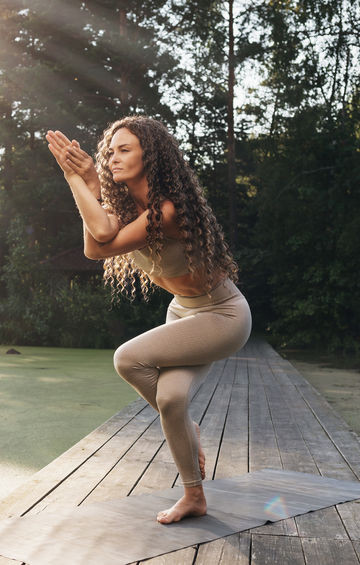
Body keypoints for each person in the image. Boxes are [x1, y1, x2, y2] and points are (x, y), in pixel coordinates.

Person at [45, 116, 251, 524]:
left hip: (222, 314)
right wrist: (89, 185)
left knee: (127, 358)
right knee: (172, 400)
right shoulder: (126, 208)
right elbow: (95, 242)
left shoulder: (169, 210)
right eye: (110, 151)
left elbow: (102, 243)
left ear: (150, 156)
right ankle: (194, 495)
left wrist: (76, 179)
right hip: (183, 311)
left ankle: (188, 434)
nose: (112, 157)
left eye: (124, 150)